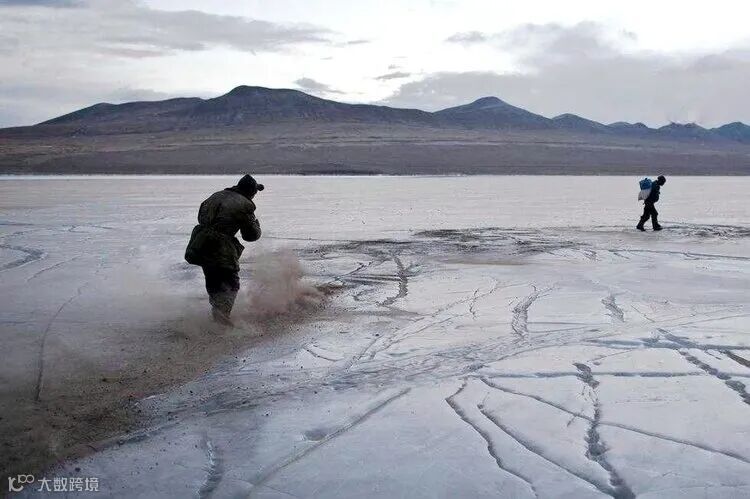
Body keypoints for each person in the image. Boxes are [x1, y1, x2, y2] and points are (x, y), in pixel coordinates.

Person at [185, 175, 263, 325]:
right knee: (230, 282)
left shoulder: (216, 196)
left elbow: (201, 217)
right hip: (220, 247)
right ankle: (222, 320)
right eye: (254, 192)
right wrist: (256, 225)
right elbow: (250, 235)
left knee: (213, 278)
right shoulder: (244, 204)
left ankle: (217, 315)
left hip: (200, 243)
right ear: (250, 192)